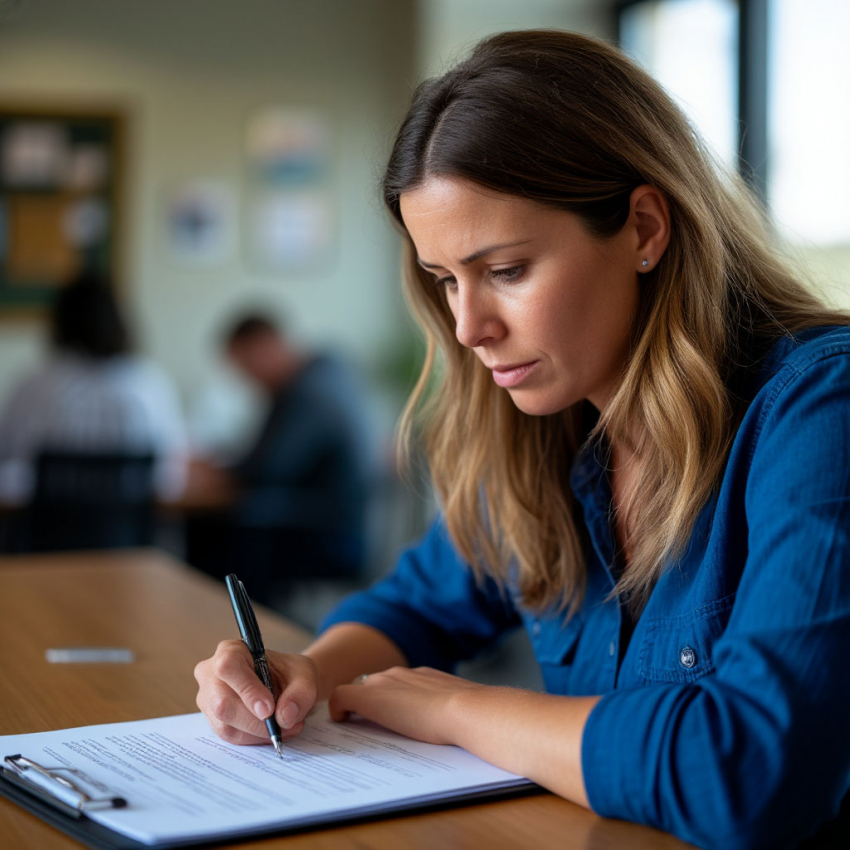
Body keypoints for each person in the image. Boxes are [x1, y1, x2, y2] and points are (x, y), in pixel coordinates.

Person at [193, 30, 850, 849]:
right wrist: (308, 672)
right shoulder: (555, 434)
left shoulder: (823, 409)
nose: (468, 326)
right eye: (445, 280)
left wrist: (459, 707)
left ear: (645, 228)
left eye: (505, 270)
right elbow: (418, 603)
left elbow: (753, 770)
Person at [187, 313, 376, 600]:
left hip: (326, 535)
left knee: (211, 532)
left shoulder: (309, 393)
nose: (248, 380)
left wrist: (220, 472)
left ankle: (230, 631)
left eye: (246, 367)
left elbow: (267, 468)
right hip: (329, 522)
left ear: (266, 348)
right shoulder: (324, 377)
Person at [0, 271, 187, 505]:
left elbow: (6, 457)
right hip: (130, 537)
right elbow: (171, 479)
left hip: (44, 536)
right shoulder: (149, 384)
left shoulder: (34, 385)